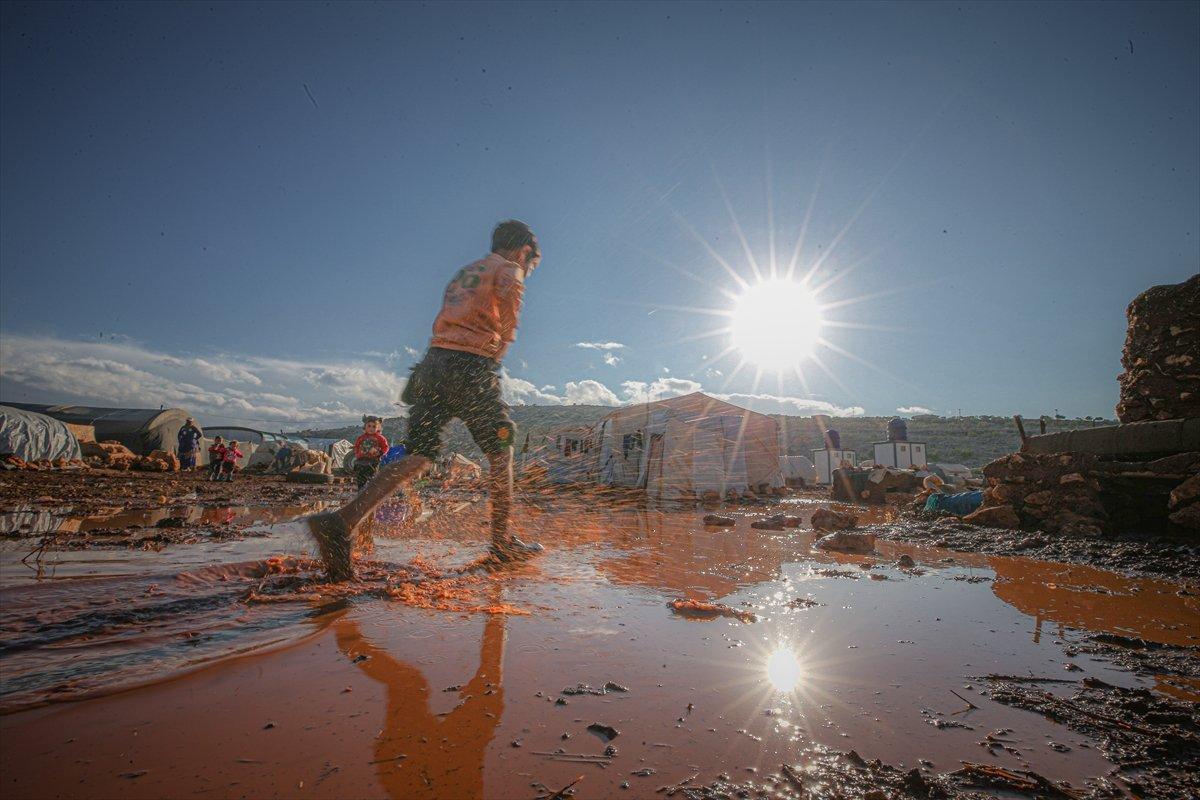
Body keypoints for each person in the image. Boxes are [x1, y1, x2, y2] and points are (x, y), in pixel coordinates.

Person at [307, 219, 544, 581]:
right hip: (470, 366)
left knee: (419, 454)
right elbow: (510, 314)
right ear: (524, 250)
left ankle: (342, 521)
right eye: (531, 261)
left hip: (433, 365)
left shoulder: (466, 270)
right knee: (502, 447)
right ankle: (501, 544)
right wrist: (499, 351)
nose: (528, 268)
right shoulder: (509, 268)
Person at [353, 416, 389, 488]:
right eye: (369, 426)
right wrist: (357, 454)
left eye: (374, 427)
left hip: (373, 461)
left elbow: (385, 447)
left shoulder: (380, 438)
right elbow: (356, 446)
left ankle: (370, 494)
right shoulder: (361, 437)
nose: (371, 428)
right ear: (365, 427)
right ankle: (361, 494)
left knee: (372, 479)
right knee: (361, 479)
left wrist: (381, 453)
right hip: (361, 461)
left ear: (378, 428)